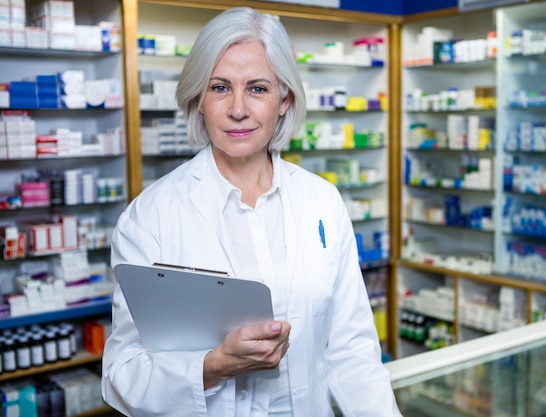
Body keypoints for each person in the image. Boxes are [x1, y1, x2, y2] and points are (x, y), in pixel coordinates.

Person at [101, 6, 402, 416]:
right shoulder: (151, 216)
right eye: (220, 87)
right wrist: (213, 367)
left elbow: (352, 352)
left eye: (258, 88)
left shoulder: (321, 201)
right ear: (198, 99)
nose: (238, 109)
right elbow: (122, 373)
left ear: (284, 100)